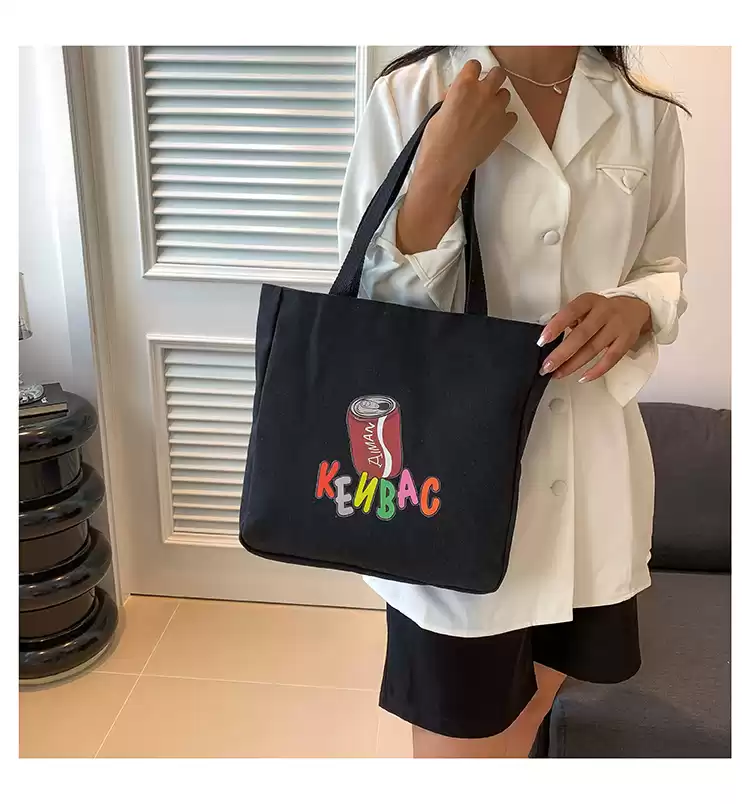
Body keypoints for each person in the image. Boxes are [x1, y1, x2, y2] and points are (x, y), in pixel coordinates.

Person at [337, 46, 688, 759]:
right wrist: (439, 172)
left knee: (527, 727)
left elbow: (665, 266)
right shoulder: (411, 93)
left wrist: (638, 307)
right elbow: (370, 313)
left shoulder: (647, 110)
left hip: (591, 479)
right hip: (451, 486)